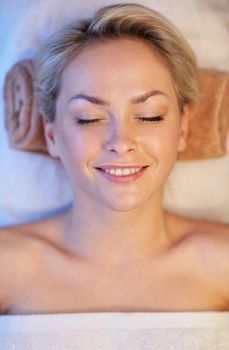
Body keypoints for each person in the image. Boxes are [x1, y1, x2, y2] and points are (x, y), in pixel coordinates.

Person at [0, 3, 228, 315]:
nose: (120, 142)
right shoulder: (7, 266)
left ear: (183, 129)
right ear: (51, 135)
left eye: (149, 116)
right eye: (88, 118)